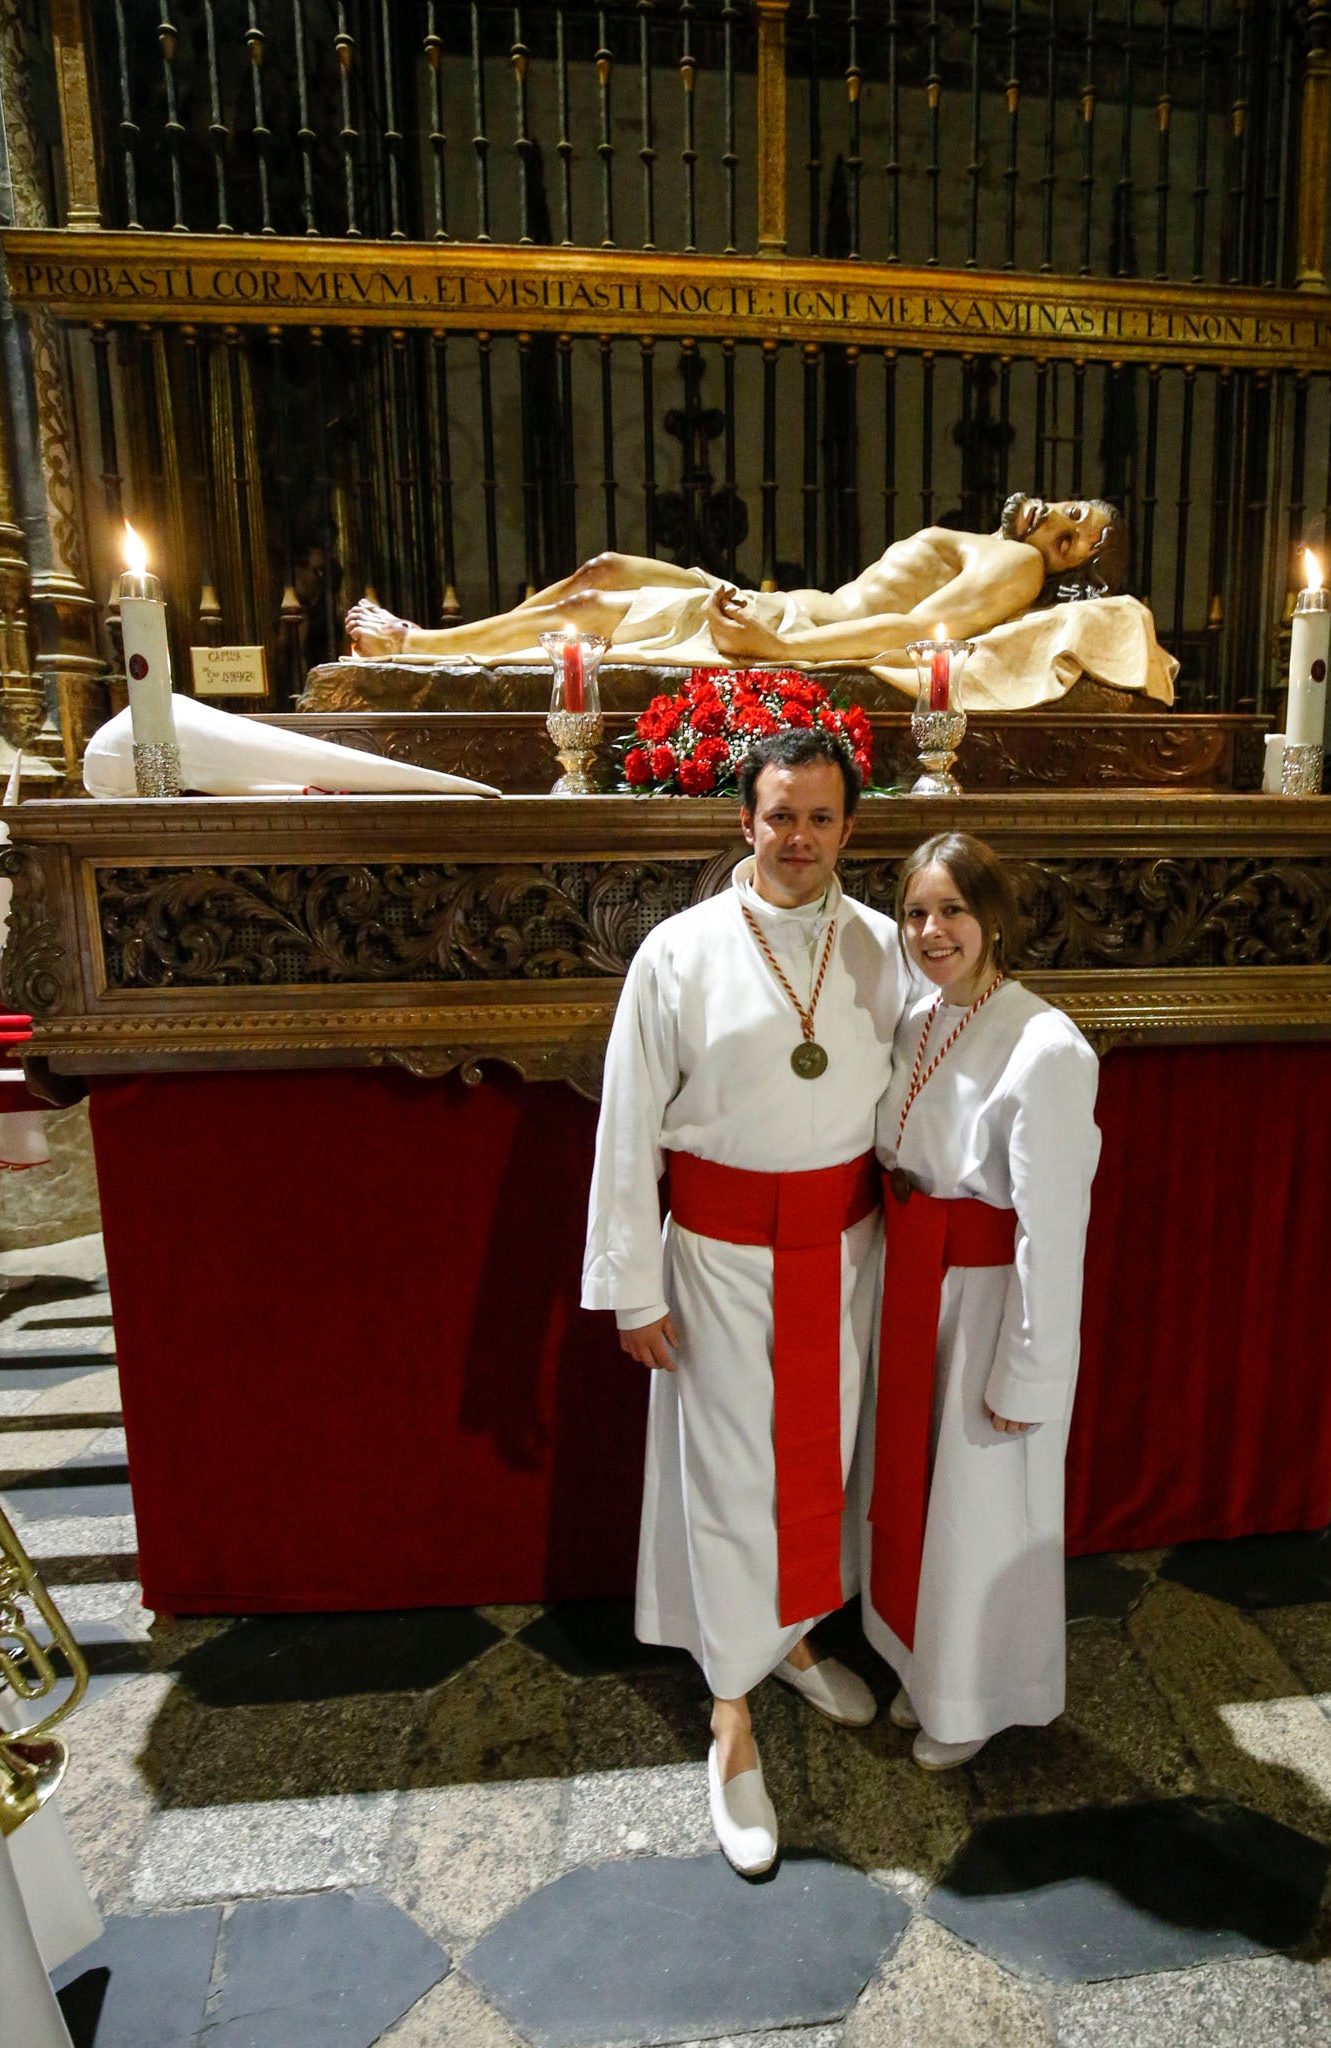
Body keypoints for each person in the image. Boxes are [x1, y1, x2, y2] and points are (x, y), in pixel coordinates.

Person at [581, 728, 907, 1874]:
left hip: (844, 1249)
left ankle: (792, 1637)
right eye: (780, 815)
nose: (799, 839)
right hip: (716, 1257)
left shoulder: (882, 945)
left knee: (820, 1465)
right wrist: (630, 1287)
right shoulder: (677, 953)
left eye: (821, 819)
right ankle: (730, 1715)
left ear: (849, 830)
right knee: (730, 1475)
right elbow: (627, 1125)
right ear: (743, 820)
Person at [862, 832, 1100, 1768]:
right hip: (917, 1287)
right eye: (917, 912)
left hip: (989, 1303)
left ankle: (972, 1699)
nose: (931, 930)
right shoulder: (919, 1020)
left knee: (978, 1506)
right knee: (917, 1497)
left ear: (994, 917)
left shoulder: (1045, 1043)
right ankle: (922, 1669)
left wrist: (1031, 1371)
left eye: (953, 910)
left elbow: (1054, 1229)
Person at [344, 495, 1127, 667]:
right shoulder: (981, 537)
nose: (1053, 526)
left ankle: (419, 645)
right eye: (1073, 510)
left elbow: (915, 633)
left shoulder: (1012, 565)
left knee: (586, 606)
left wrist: (779, 650)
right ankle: (434, 644)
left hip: (790, 626)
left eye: (1070, 543)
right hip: (778, 606)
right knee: (605, 568)